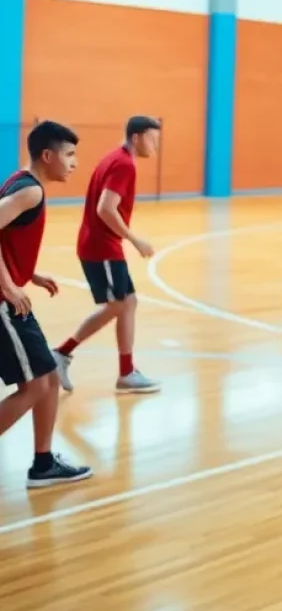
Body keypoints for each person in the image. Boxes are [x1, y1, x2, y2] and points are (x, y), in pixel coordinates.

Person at [0, 120, 92, 488]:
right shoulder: (31, 192)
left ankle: (43, 463)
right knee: (35, 387)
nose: (74, 163)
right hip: (4, 304)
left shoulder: (19, 180)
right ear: (48, 155)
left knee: (49, 376)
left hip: (10, 297)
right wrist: (8, 285)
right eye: (69, 155)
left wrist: (28, 273)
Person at [52, 115, 161, 395]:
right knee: (118, 304)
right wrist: (135, 240)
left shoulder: (115, 158)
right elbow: (105, 208)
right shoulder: (124, 164)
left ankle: (126, 372)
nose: (155, 146)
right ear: (136, 138)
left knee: (128, 302)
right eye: (152, 139)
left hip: (100, 244)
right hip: (100, 247)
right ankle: (61, 354)